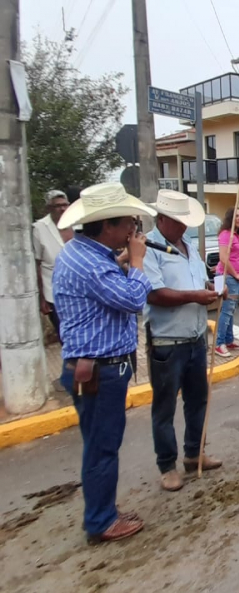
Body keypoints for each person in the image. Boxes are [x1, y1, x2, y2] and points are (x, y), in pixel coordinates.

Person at [52, 182, 156, 543]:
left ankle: (103, 511)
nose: (132, 229)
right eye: (127, 221)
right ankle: (101, 521)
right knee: (102, 447)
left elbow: (107, 287)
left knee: (99, 444)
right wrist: (139, 262)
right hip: (100, 369)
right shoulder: (91, 265)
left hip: (93, 366)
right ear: (107, 224)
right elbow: (130, 299)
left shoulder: (83, 254)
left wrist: (124, 261)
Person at [143, 190, 223, 491]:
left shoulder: (189, 246)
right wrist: (196, 296)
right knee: (164, 408)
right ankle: (167, 466)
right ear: (162, 219)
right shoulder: (150, 249)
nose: (184, 227)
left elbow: (198, 282)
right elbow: (154, 294)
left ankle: (194, 453)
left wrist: (213, 290)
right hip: (167, 342)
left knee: (198, 400)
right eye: (178, 222)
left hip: (195, 337)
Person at [33, 190, 74, 341]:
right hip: (53, 289)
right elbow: (37, 263)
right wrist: (41, 298)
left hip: (78, 288)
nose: (62, 209)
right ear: (49, 208)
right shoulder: (39, 228)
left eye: (65, 205)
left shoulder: (76, 224)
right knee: (64, 335)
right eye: (57, 206)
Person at [214, 208, 239, 358]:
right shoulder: (226, 235)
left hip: (234, 278)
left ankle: (229, 339)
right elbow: (223, 258)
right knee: (226, 310)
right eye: (236, 216)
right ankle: (219, 343)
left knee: (231, 310)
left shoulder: (236, 235)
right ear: (230, 219)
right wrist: (236, 274)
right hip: (228, 278)